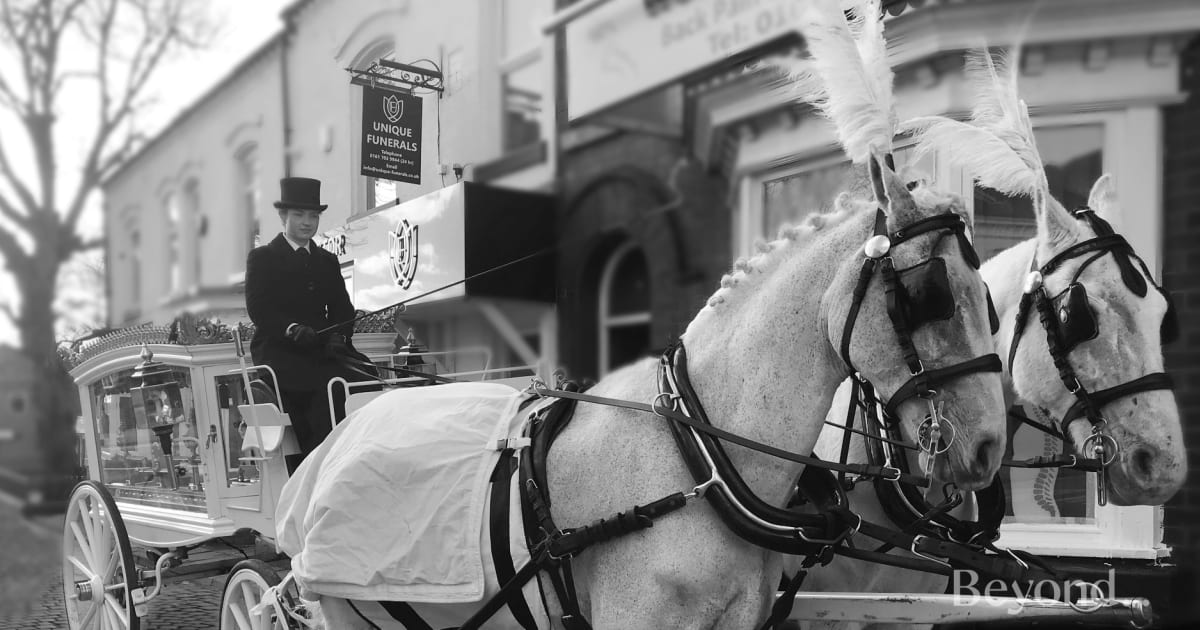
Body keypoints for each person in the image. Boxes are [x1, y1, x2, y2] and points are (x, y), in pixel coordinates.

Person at [244, 176, 372, 464]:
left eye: (313, 215)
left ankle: (359, 457)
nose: (307, 222)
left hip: (322, 347)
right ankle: (316, 462)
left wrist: (340, 336)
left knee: (366, 375)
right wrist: (291, 329)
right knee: (324, 388)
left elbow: (342, 307)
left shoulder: (326, 260)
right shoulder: (263, 257)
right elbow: (260, 309)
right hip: (281, 350)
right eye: (299, 215)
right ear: (282, 216)